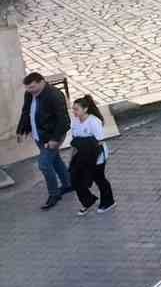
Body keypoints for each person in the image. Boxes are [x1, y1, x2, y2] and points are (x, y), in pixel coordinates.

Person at [15, 71, 70, 207]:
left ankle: (54, 194)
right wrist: (21, 130)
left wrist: (54, 139)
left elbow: (64, 121)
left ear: (42, 82)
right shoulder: (29, 94)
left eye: (32, 87)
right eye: (28, 88)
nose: (29, 90)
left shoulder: (55, 96)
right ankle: (68, 184)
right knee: (55, 160)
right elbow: (26, 112)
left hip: (51, 137)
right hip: (38, 135)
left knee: (44, 165)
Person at [68, 95, 114, 214]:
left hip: (96, 155)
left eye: (76, 109)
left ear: (85, 109)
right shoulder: (75, 122)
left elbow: (99, 140)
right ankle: (87, 201)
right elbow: (74, 141)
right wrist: (72, 158)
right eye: (73, 109)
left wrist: (82, 143)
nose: (74, 112)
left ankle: (108, 201)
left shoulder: (94, 121)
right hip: (81, 155)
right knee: (75, 178)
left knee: (98, 178)